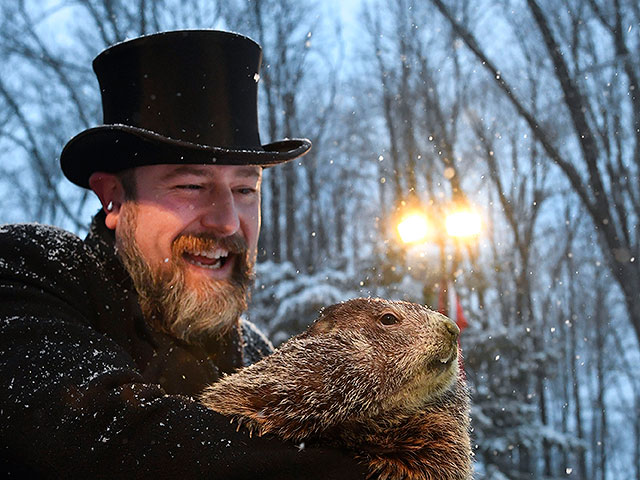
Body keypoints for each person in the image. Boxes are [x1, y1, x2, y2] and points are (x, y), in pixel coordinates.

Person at [0, 30, 368, 478]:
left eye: (245, 189)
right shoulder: (29, 271)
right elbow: (104, 439)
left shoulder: (256, 351)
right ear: (113, 198)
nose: (227, 222)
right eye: (191, 186)